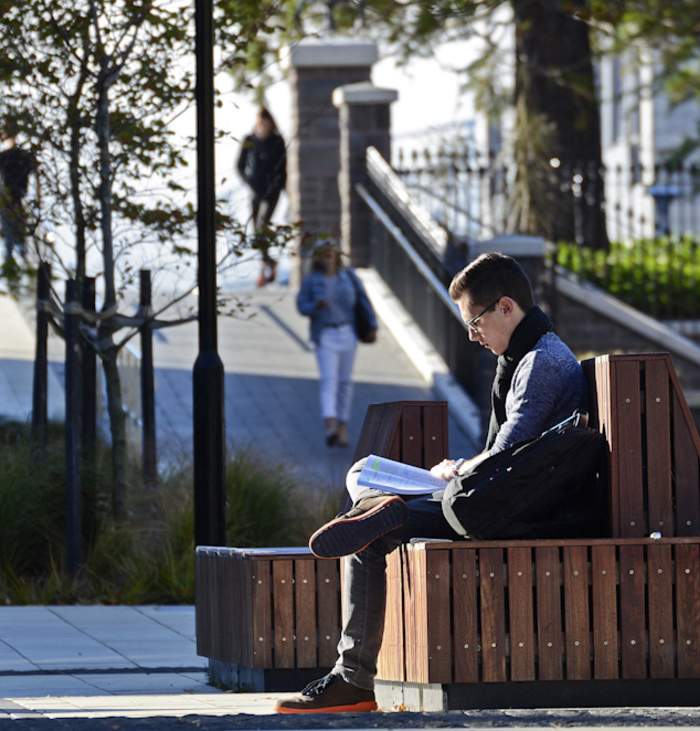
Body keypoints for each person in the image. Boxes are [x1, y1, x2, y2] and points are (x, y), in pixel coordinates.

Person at [276, 251, 586, 714]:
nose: (472, 335)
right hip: (489, 495)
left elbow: (510, 454)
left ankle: (353, 680)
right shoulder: (529, 355)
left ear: (506, 307)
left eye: (475, 322)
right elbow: (509, 454)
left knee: (368, 536)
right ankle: (380, 506)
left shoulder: (540, 362)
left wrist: (459, 471)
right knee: (362, 471)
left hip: (502, 507)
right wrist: (458, 468)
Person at [296, 241, 377, 449]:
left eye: (331, 254)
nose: (328, 259)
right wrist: (315, 306)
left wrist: (372, 326)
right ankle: (329, 425)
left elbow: (363, 300)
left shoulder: (348, 276)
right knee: (329, 379)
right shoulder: (312, 280)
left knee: (344, 382)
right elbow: (301, 304)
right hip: (325, 333)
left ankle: (342, 426)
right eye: (323, 255)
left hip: (347, 331)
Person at [236, 108, 287, 286]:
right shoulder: (249, 141)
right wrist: (249, 181)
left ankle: (266, 265)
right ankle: (267, 264)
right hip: (255, 190)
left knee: (262, 226)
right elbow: (240, 165)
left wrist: (279, 185)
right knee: (256, 232)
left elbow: (283, 167)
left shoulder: (277, 141)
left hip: (271, 191)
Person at [0, 128, 36, 263]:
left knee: (14, 235)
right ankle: (15, 262)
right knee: (13, 235)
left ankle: (17, 261)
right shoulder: (20, 155)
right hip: (12, 199)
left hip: (15, 199)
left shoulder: (13, 156)